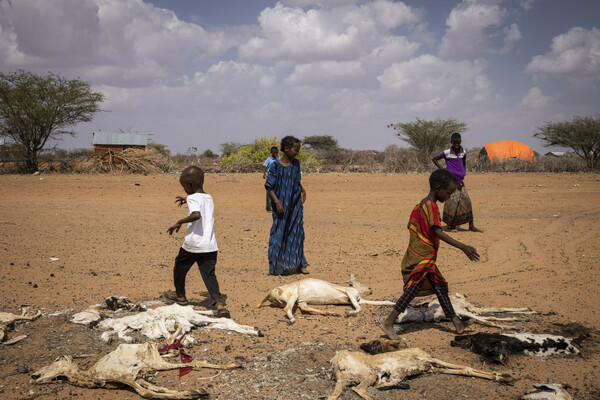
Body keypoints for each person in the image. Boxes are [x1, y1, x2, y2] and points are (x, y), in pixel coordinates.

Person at [380, 169, 480, 340]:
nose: (448, 197)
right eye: (448, 193)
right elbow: (438, 232)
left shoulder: (419, 205)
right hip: (422, 257)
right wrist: (463, 247)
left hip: (420, 255)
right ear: (438, 188)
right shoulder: (431, 206)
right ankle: (389, 322)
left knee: (439, 285)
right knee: (414, 288)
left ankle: (457, 322)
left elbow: (410, 225)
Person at [162, 166, 230, 318]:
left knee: (180, 267)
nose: (184, 189)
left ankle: (180, 296)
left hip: (193, 244)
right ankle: (219, 304)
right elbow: (201, 203)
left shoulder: (193, 198)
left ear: (190, 185)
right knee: (209, 274)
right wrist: (187, 199)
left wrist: (179, 222)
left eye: (184, 186)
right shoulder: (208, 197)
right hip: (210, 245)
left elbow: (196, 214)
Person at [265, 136, 308, 275]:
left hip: (295, 206)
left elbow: (296, 179)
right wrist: (277, 203)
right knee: (279, 234)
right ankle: (276, 267)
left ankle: (300, 263)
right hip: (281, 206)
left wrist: (302, 188)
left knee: (297, 233)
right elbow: (269, 187)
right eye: (295, 150)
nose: (297, 153)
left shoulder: (296, 164)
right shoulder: (275, 166)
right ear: (286, 149)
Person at [432, 132, 483, 232]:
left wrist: (464, 171)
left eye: (458, 142)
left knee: (467, 200)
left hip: (460, 181)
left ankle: (471, 225)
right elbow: (434, 159)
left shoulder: (463, 151)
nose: (456, 144)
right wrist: (443, 169)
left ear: (460, 142)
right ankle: (451, 226)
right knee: (452, 203)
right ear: (451, 142)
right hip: (451, 182)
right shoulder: (447, 152)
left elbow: (464, 162)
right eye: (455, 142)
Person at [262, 146, 279, 212]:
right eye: (274, 152)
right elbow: (265, 166)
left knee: (276, 192)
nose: (275, 154)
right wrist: (264, 173)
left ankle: (275, 206)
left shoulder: (278, 159)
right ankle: (268, 207)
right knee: (269, 191)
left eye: (276, 152)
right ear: (271, 152)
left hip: (277, 177)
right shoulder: (269, 159)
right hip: (270, 177)